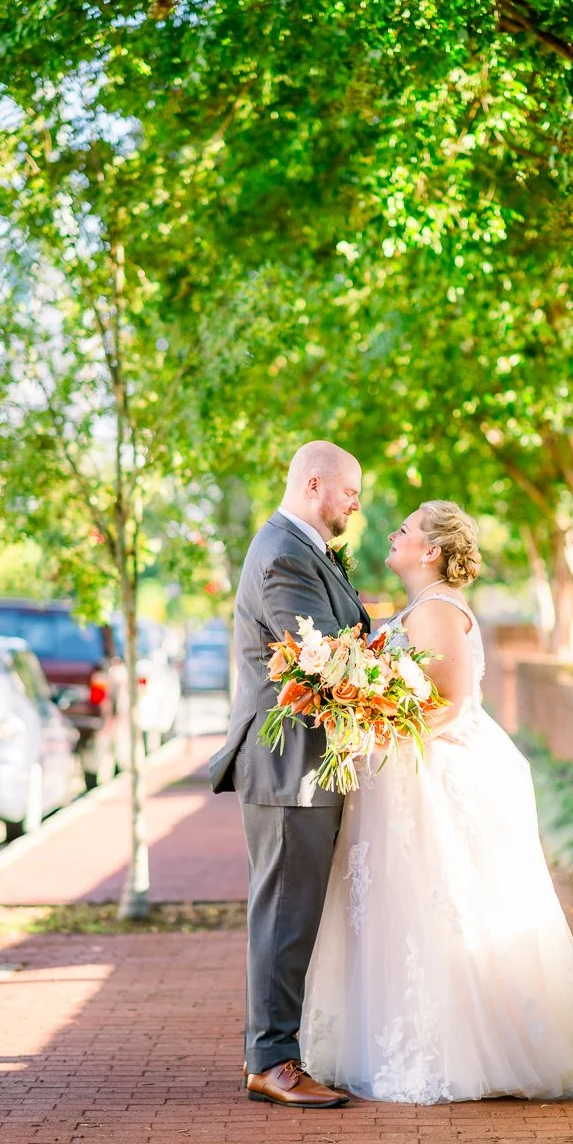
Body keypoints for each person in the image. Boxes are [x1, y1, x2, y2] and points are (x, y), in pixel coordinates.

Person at [300, 500, 573, 1104]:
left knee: (437, 903)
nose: (392, 535)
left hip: (432, 774)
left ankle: (456, 1050)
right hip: (405, 769)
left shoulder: (437, 612)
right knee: (403, 907)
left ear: (430, 551)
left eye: (404, 530)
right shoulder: (420, 609)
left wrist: (375, 732)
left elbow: (447, 703)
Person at [209, 441, 371, 1108]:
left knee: (295, 911)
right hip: (289, 762)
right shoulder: (281, 554)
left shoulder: (299, 548)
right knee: (284, 913)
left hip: (306, 761)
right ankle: (271, 1062)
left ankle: (280, 1052)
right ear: (314, 485)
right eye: (350, 492)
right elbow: (326, 657)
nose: (356, 505)